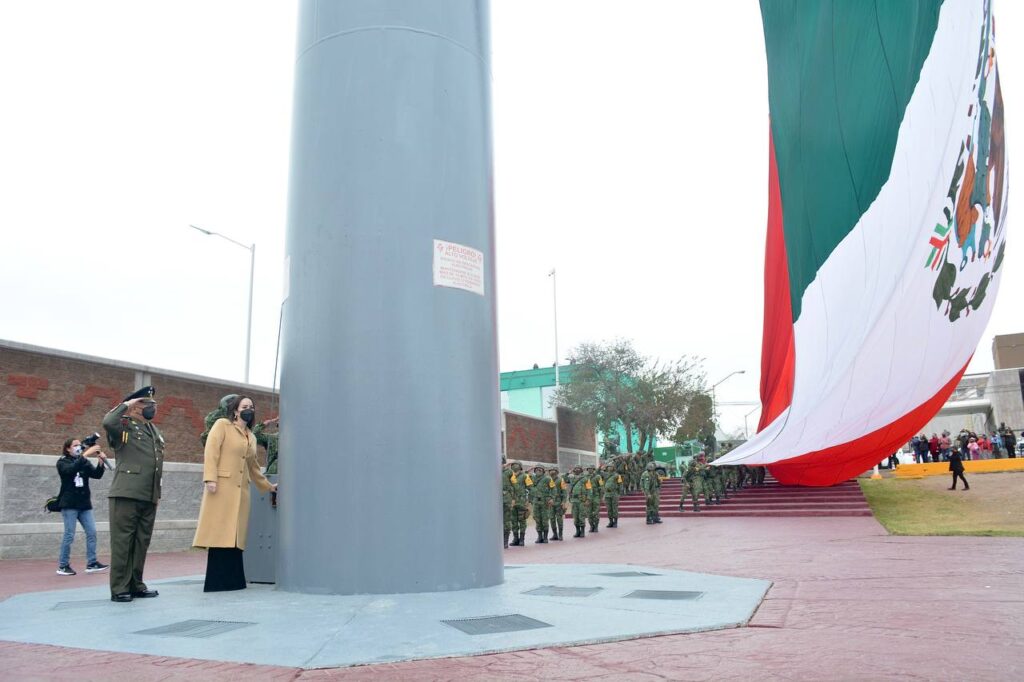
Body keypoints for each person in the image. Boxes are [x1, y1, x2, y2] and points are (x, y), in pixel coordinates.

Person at [193, 395, 277, 592]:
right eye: (244, 406)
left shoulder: (251, 435)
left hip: (241, 492)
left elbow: (253, 466)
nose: (248, 409)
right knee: (220, 532)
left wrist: (268, 486)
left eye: (251, 406)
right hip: (221, 487)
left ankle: (233, 580)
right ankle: (217, 581)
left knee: (235, 535)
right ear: (235, 410)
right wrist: (210, 478)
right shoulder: (222, 425)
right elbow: (211, 451)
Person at [102, 386, 164, 603]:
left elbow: (156, 466)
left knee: (141, 543)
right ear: (136, 406)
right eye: (148, 404)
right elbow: (108, 421)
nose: (153, 408)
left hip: (148, 495)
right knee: (123, 542)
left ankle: (136, 584)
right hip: (126, 493)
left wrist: (156, 495)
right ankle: (119, 587)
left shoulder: (153, 431)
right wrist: (126, 405)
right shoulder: (124, 425)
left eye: (154, 405)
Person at [55, 437, 109, 576]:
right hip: (70, 504)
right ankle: (63, 565)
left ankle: (92, 563)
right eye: (75, 445)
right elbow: (70, 471)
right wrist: (85, 454)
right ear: (68, 448)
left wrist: (100, 462)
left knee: (92, 532)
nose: (79, 447)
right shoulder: (62, 462)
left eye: (80, 445)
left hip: (84, 504)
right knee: (69, 535)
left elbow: (96, 475)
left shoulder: (83, 461)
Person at [528, 465, 551, 544]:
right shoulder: (532, 478)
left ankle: (545, 537)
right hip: (536, 502)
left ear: (543, 471)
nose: (538, 470)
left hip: (544, 502)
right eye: (537, 469)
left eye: (540, 469)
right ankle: (539, 536)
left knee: (544, 519)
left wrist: (551, 498)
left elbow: (553, 488)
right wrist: (528, 470)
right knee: (537, 518)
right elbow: (524, 477)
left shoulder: (547, 478)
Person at [568, 465, 592, 538]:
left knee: (581, 516)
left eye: (579, 468)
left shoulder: (585, 479)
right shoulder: (572, 478)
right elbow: (565, 478)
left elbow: (589, 489)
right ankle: (577, 531)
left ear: (581, 470)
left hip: (582, 500)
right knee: (575, 516)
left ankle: (582, 532)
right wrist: (569, 472)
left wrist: (588, 499)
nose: (577, 470)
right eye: (576, 469)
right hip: (574, 500)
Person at [547, 467, 566, 541]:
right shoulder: (548, 480)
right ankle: (555, 534)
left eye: (553, 470)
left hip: (558, 502)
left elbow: (564, 491)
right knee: (551, 519)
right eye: (550, 470)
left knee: (559, 519)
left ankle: (560, 535)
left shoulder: (560, 480)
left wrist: (563, 502)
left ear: (557, 472)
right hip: (550, 503)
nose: (552, 472)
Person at [602, 462, 622, 528]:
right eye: (608, 467)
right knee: (609, 509)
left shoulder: (617, 475)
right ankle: (610, 522)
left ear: (613, 468)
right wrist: (602, 467)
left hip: (614, 494)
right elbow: (597, 473)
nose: (609, 468)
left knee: (614, 508)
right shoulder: (605, 475)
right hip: (607, 494)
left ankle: (615, 522)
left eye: (611, 467)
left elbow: (620, 484)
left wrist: (619, 494)